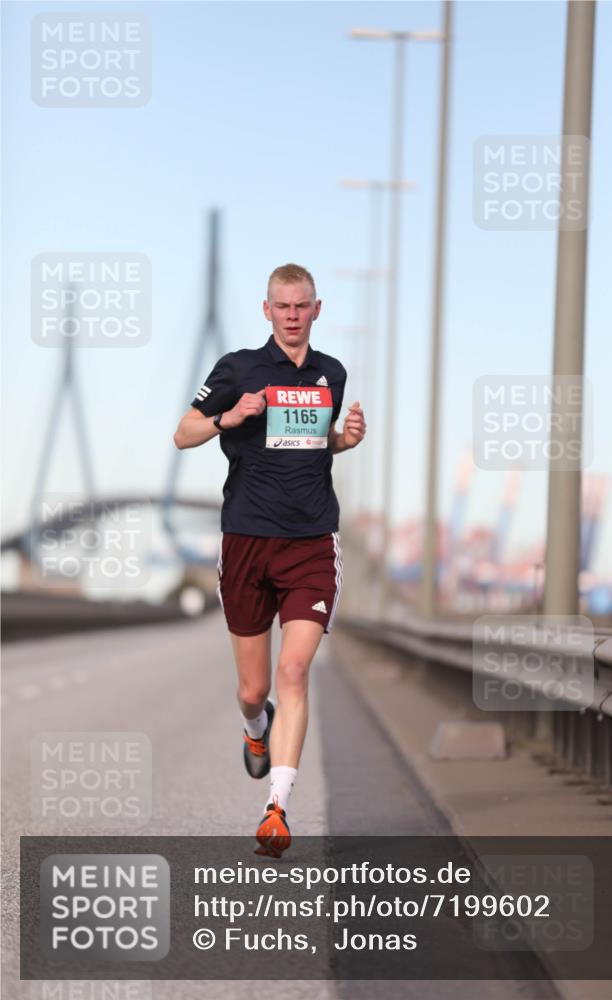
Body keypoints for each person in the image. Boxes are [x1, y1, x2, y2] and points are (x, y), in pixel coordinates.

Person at [173, 263, 366, 856]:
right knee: (255, 688)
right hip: (247, 540)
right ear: (266, 310)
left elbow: (311, 442)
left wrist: (344, 439)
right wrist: (230, 417)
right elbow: (183, 433)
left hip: (311, 541)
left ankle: (277, 809)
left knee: (294, 672)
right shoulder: (238, 368)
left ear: (316, 309)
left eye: (301, 305)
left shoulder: (330, 372)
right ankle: (256, 727)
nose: (291, 314)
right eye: (281, 305)